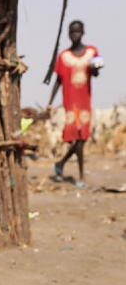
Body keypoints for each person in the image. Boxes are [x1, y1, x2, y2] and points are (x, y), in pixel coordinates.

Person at [47, 20, 101, 187]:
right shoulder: (63, 56)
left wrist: (95, 68)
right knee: (76, 138)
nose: (75, 35)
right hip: (70, 102)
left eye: (78, 32)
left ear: (83, 32)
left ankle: (61, 163)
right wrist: (50, 103)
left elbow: (96, 74)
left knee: (82, 138)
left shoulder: (91, 52)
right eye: (72, 32)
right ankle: (81, 175)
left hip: (84, 100)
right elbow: (58, 81)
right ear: (69, 34)